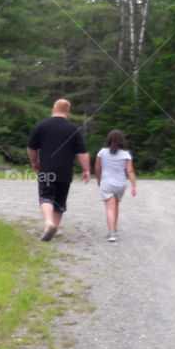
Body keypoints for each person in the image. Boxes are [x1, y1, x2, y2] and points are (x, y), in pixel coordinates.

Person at [26, 99, 91, 241]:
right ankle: (54, 227)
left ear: (54, 108)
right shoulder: (73, 128)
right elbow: (82, 153)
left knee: (46, 196)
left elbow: (31, 148)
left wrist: (34, 162)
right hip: (65, 170)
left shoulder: (41, 126)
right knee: (59, 201)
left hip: (47, 169)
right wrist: (86, 170)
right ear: (68, 111)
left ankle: (49, 224)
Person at [95, 129, 137, 242]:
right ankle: (113, 229)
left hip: (107, 183)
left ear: (108, 139)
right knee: (116, 207)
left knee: (110, 208)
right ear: (122, 141)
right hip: (120, 184)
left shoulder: (102, 152)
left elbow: (97, 168)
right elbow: (130, 171)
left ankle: (111, 233)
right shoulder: (125, 154)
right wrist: (134, 186)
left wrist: (99, 180)